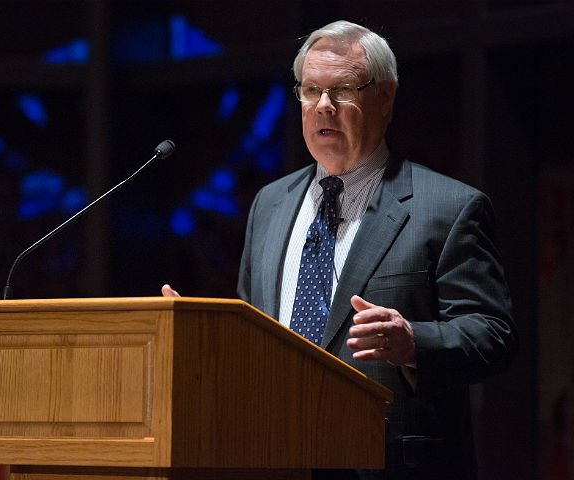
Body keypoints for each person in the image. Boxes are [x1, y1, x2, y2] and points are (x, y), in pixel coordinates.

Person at [163, 19, 517, 480]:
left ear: (385, 98)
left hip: (389, 463)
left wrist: (414, 342)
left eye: (342, 90)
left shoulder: (449, 208)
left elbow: (494, 335)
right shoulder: (270, 204)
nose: (323, 106)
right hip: (275, 459)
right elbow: (258, 335)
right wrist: (207, 337)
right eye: (310, 91)